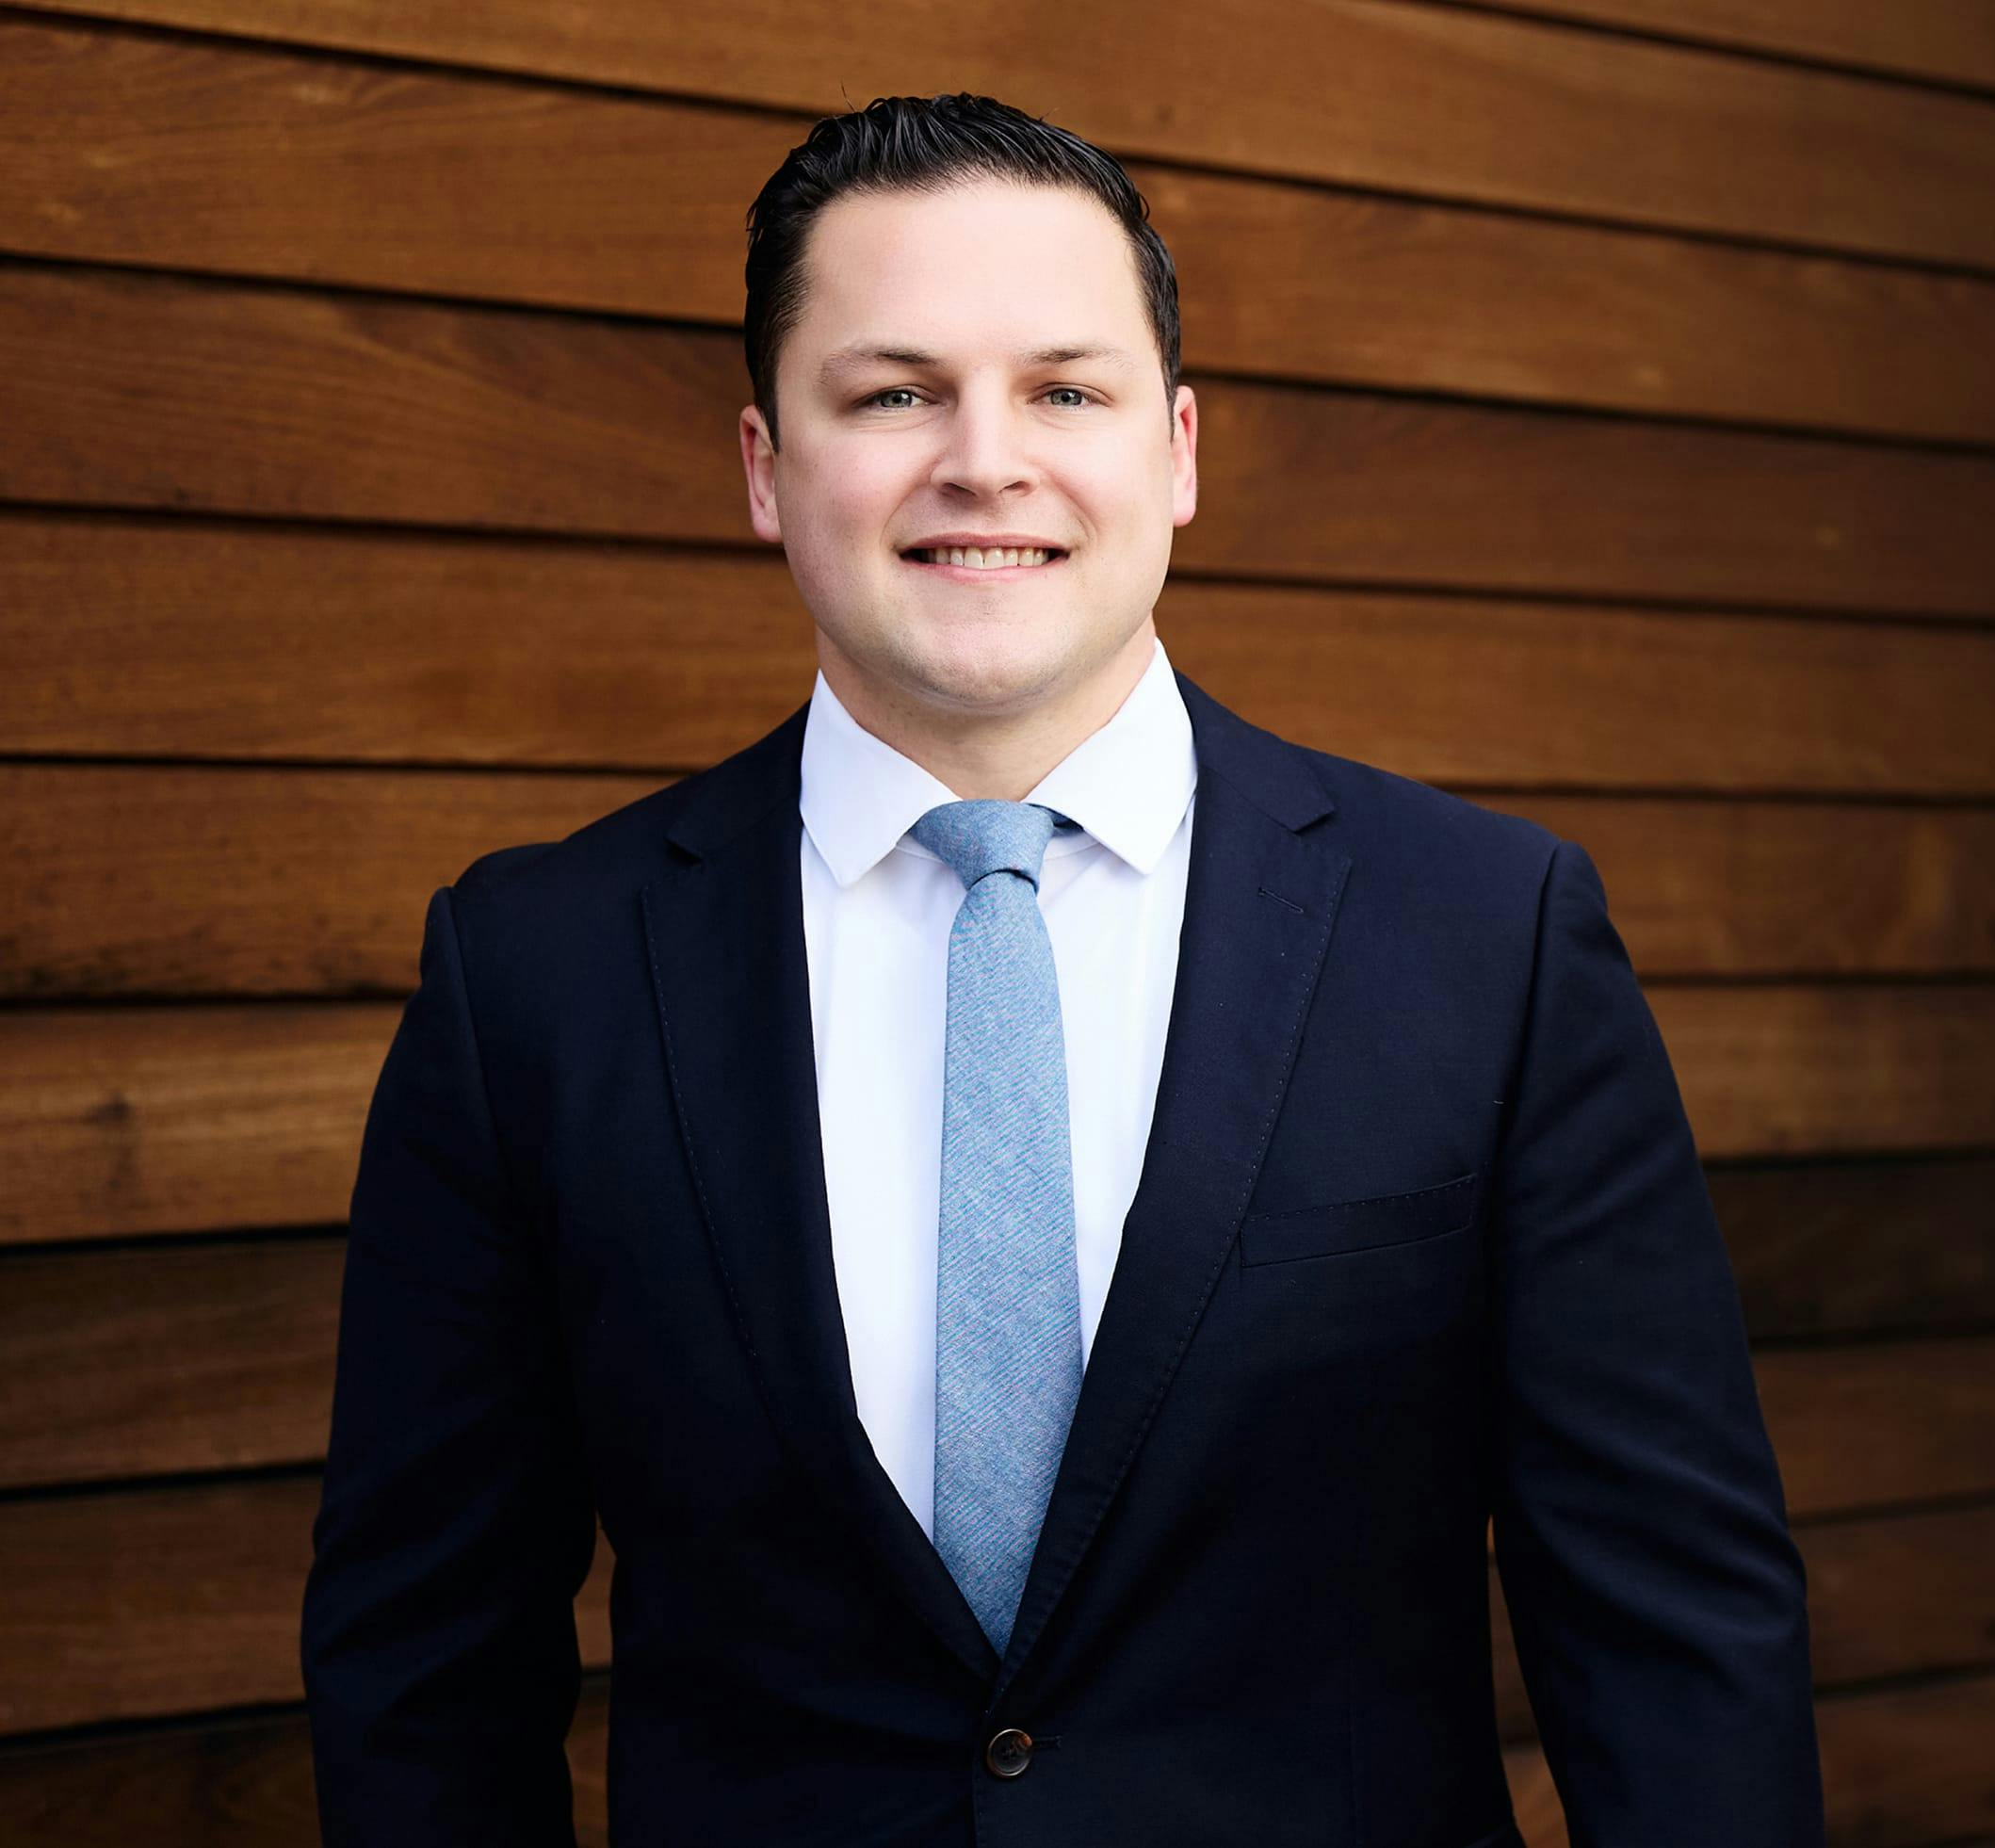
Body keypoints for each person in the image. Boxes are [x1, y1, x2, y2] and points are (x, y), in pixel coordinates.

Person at [300, 91, 1825, 1848]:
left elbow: (1672, 1635)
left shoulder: (1489, 936)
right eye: (892, 392)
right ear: (762, 464)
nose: (983, 458)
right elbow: (425, 1664)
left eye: (1063, 389)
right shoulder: (534, 974)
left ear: (1175, 449)